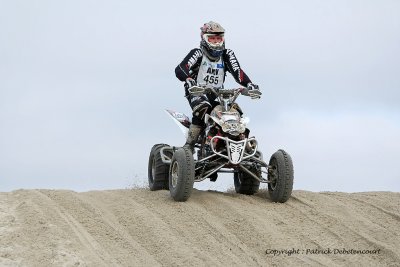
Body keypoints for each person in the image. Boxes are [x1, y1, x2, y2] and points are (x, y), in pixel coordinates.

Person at [175, 21, 260, 151]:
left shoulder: (227, 54)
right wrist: (188, 79)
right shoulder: (197, 53)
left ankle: (244, 145)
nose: (216, 42)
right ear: (204, 38)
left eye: (218, 38)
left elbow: (238, 72)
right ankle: (189, 146)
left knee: (234, 112)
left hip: (217, 94)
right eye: (212, 38)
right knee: (203, 107)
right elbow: (181, 68)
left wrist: (249, 84)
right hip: (196, 90)